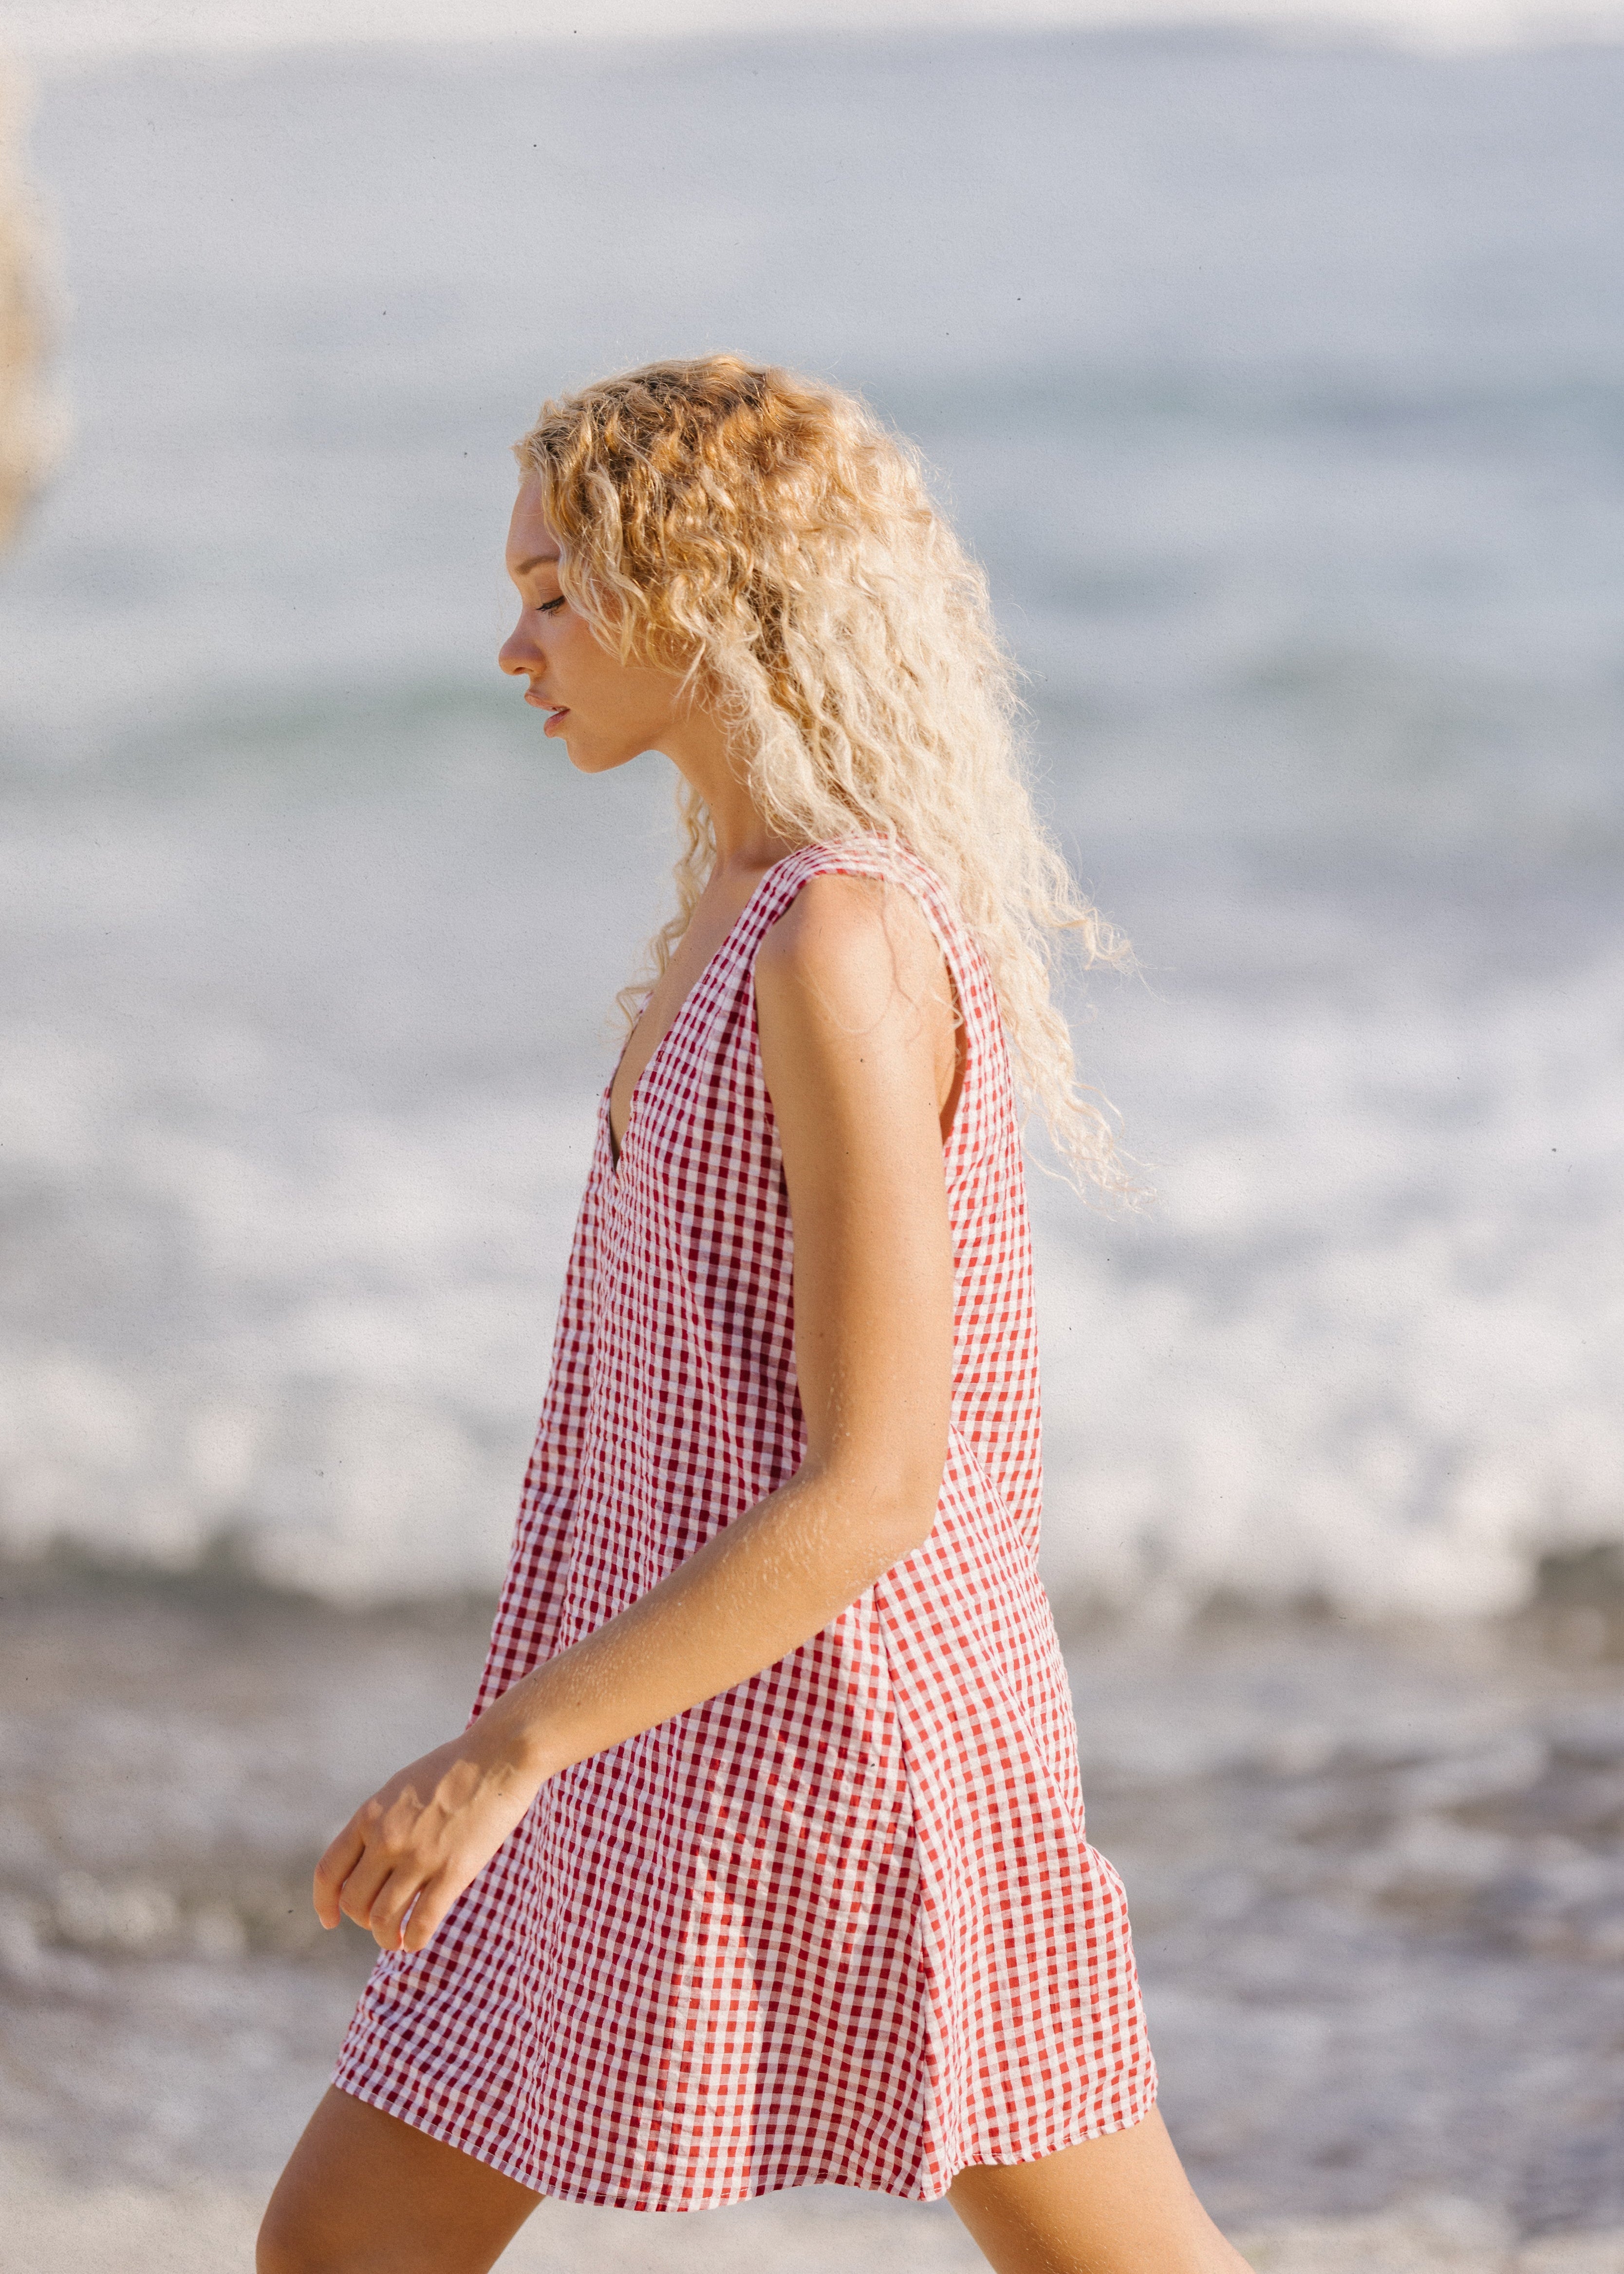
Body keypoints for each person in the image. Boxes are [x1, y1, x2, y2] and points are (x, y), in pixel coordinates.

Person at [258, 357, 1250, 2274]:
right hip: (674, 1709)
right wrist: (545, 1735)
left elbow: (885, 1476)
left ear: (701, 593)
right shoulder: (737, 908)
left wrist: (507, 1752)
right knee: (348, 2239)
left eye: (556, 590)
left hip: (858, 1729)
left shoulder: (839, 936)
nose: (511, 644)